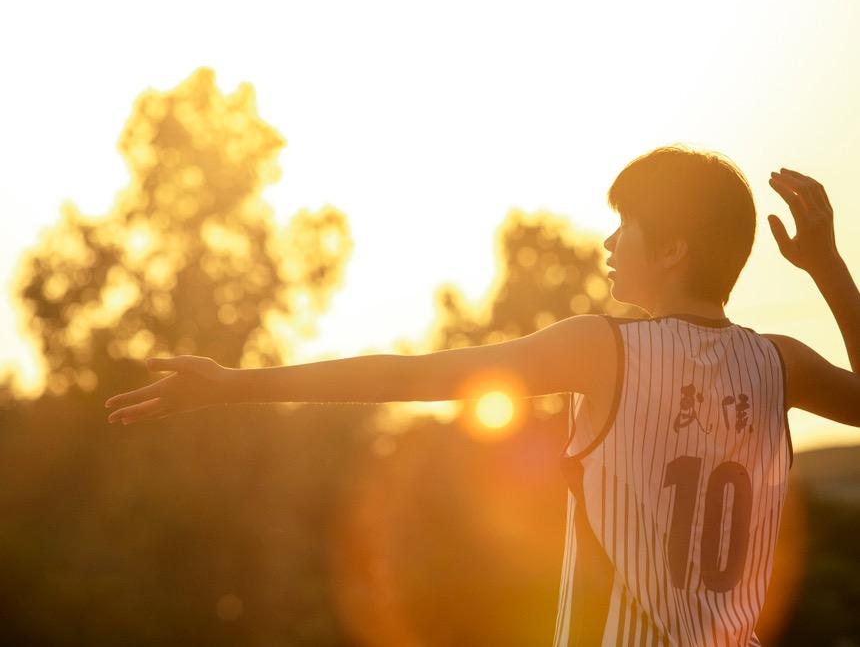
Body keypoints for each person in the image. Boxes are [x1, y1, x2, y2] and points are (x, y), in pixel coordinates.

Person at [104, 145, 860, 646]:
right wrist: (826, 266)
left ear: (672, 249)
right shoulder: (780, 363)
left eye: (625, 226)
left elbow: (410, 376)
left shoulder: (604, 349)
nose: (608, 243)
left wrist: (234, 385)